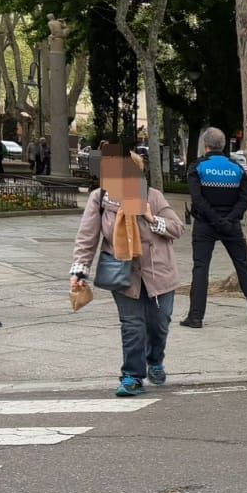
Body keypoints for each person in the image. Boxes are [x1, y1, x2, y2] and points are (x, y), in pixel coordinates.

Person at [69, 152, 184, 396]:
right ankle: (132, 376)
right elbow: (87, 236)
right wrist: (80, 270)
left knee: (159, 325)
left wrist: (152, 218)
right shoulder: (100, 199)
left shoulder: (152, 196)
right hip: (123, 273)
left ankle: (154, 360)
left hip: (159, 272)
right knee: (132, 325)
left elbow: (177, 228)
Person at [182, 127, 247, 328]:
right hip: (231, 224)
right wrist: (229, 219)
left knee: (201, 268)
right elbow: (245, 199)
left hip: (204, 224)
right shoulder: (236, 168)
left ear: (205, 145)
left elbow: (197, 199)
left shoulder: (198, 167)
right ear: (224, 145)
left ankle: (195, 317)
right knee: (243, 266)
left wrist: (214, 219)